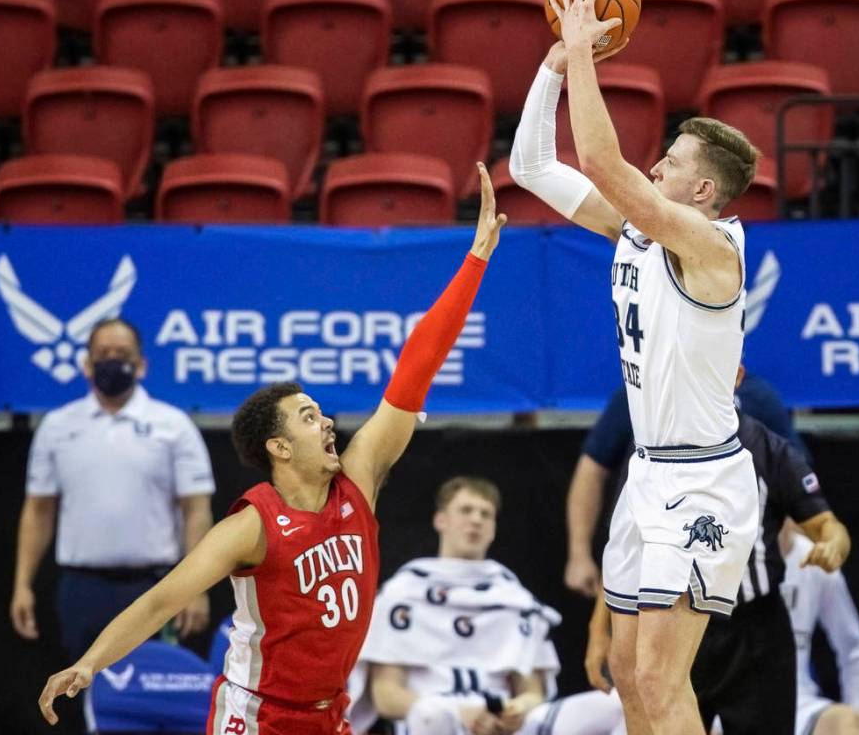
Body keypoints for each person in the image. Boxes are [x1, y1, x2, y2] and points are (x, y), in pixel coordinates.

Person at [37, 163, 508, 734]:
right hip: (255, 716)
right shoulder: (253, 525)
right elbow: (162, 601)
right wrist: (90, 663)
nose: (329, 423)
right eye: (310, 418)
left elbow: (417, 366)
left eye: (323, 413)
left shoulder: (357, 479)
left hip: (329, 713)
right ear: (279, 446)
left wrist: (476, 259)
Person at [517, 0, 764, 734]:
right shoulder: (638, 229)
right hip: (648, 473)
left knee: (660, 682)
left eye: (672, 162)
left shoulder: (715, 247)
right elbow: (531, 167)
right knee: (625, 676)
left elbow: (599, 162)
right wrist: (552, 67)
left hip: (701, 485)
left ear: (701, 191)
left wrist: (585, 48)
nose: (656, 165)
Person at [582, 393, 853, 734]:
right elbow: (625, 551)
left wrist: (832, 546)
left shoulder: (768, 448)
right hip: (682, 622)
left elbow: (829, 525)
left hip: (756, 629)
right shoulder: (655, 448)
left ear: (735, 375)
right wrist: (598, 631)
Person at [351, 476, 625, 735]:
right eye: (466, 510)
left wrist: (519, 709)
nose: (475, 520)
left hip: (506, 724)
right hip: (437, 718)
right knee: (430, 713)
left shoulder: (514, 599)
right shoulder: (402, 595)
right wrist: (461, 712)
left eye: (485, 514)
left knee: (618, 705)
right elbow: (386, 696)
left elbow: (532, 693)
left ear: (494, 528)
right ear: (440, 520)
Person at [11, 318, 216, 661]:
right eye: (103, 353)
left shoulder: (173, 426)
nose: (112, 360)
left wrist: (195, 588)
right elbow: (38, 510)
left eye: (122, 353)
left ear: (142, 365)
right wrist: (22, 584)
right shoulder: (58, 426)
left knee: (153, 695)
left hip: (153, 587)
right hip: (81, 589)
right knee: (77, 694)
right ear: (87, 365)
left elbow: (196, 511)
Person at [565, 366, 807, 598]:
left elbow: (795, 476)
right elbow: (592, 468)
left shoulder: (758, 400)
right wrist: (579, 554)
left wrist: (789, 536)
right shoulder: (643, 394)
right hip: (656, 558)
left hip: (739, 566)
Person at [780, 523, 859, 735]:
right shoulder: (724, 556)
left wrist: (857, 711)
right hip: (731, 704)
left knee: (852, 723)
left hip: (799, 706)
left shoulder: (814, 560)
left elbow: (854, 650)